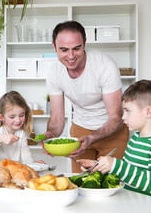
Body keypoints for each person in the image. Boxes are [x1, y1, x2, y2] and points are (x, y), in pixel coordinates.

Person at [40, 20, 129, 172]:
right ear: (54, 47)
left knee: (110, 184)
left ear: (85, 43)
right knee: (81, 184)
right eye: (64, 50)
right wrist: (49, 136)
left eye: (76, 48)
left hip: (113, 132)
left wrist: (92, 138)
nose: (71, 56)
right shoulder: (54, 72)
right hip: (80, 133)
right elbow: (57, 119)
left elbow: (116, 117)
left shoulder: (104, 66)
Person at [78, 79, 151, 201]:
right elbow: (128, 175)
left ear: (149, 112)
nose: (123, 117)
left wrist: (116, 165)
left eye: (128, 111)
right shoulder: (135, 140)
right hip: (135, 204)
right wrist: (101, 168)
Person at [0, 91, 39, 164]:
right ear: (1, 117)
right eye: (12, 117)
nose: (18, 120)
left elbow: (26, 156)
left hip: (12, 170)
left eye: (21, 115)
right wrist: (1, 138)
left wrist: (33, 165)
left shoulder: (21, 133)